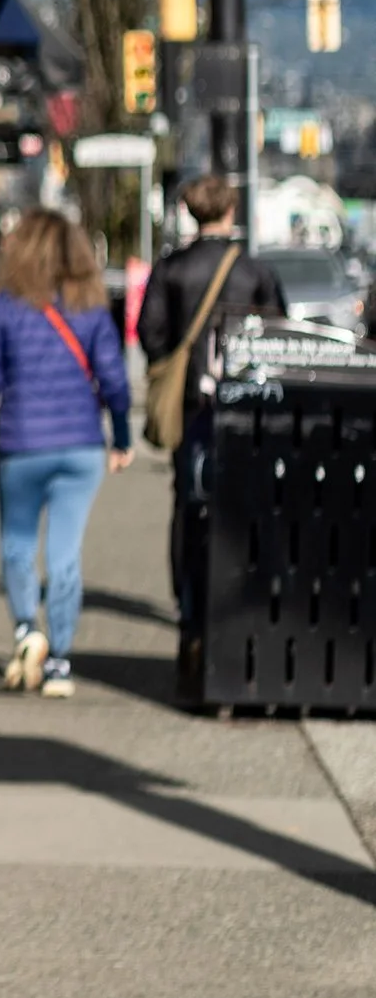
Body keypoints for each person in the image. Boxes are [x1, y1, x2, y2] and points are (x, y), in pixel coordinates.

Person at [0, 210, 134, 699]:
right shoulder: (91, 306)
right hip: (80, 446)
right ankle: (59, 660)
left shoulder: (5, 306)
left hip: (22, 442)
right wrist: (120, 437)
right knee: (65, 553)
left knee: (17, 544)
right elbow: (115, 380)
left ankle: (26, 630)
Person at [134, 175, 285, 667]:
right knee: (243, 503)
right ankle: (239, 603)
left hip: (190, 408)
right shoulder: (253, 271)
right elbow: (278, 333)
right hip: (243, 406)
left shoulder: (171, 268)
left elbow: (150, 332)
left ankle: (190, 607)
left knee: (188, 504)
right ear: (231, 209)